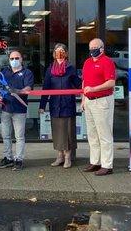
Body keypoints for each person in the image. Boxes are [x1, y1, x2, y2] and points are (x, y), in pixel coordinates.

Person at [38, 43, 81, 169]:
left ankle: (68, 157)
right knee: (57, 132)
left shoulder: (70, 68)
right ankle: (59, 156)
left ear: (66, 53)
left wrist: (86, 86)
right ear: (54, 54)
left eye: (62, 51)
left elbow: (78, 84)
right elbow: (46, 88)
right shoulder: (50, 69)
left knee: (68, 132)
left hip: (68, 105)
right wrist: (42, 105)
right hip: (55, 105)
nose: (60, 53)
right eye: (57, 51)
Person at [0, 50, 34, 171]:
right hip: (6, 108)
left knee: (19, 136)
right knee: (6, 136)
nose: (14, 60)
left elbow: (28, 88)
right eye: (12, 58)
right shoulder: (5, 71)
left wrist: (18, 91)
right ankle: (8, 158)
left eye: (17, 58)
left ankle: (19, 159)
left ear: (21, 59)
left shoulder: (27, 73)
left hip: (19, 109)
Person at [81, 38, 117, 176]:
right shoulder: (87, 62)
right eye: (90, 47)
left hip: (102, 101)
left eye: (95, 47)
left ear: (102, 48)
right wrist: (83, 99)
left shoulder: (107, 62)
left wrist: (94, 89)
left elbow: (111, 82)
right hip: (89, 101)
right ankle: (95, 162)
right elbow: (84, 82)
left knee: (104, 134)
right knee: (92, 134)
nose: (92, 50)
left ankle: (107, 165)